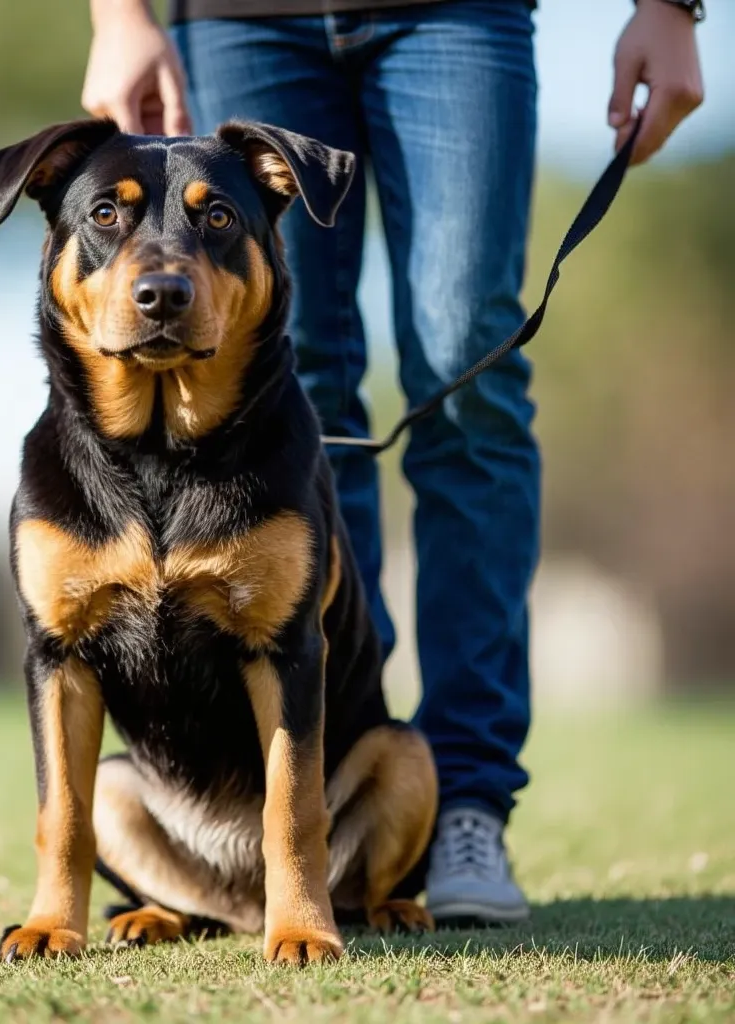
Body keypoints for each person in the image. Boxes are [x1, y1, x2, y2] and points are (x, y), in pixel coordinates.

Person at [80, 0, 704, 925]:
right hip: (240, 16)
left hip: (456, 14)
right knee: (298, 386)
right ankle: (296, 814)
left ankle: (463, 806)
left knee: (466, 365)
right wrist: (118, 15)